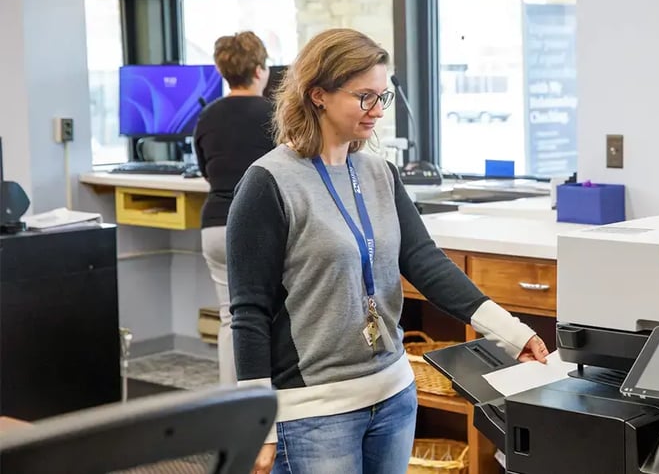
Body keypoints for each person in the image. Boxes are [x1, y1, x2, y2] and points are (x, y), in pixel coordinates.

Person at [226, 28, 550, 474]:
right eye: (364, 97)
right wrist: (258, 424)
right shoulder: (268, 183)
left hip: (394, 395)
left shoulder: (380, 173)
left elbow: (427, 264)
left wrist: (515, 334)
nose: (377, 110)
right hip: (315, 412)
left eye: (383, 97)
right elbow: (249, 313)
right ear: (317, 94)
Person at [193, 30, 274, 384]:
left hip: (214, 227)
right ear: (259, 70)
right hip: (260, 229)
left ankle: (234, 408)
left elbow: (206, 170)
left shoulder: (207, 116)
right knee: (269, 317)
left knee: (231, 318)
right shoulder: (276, 115)